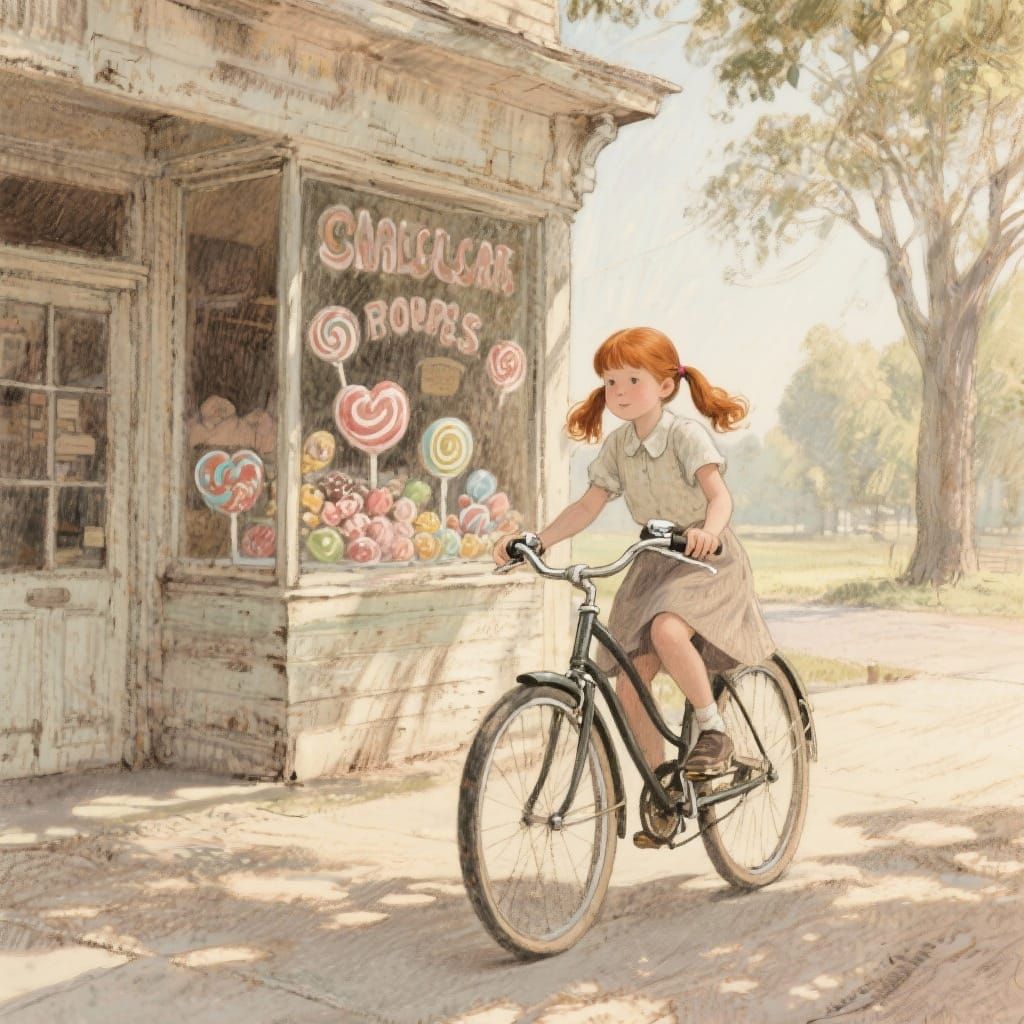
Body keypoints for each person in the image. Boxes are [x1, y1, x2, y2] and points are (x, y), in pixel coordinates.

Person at [493, 326, 776, 848]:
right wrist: (538, 540)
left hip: (705, 561)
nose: (618, 391)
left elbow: (720, 498)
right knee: (629, 680)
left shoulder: (684, 435)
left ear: (666, 385)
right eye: (609, 382)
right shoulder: (619, 445)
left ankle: (714, 730)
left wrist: (708, 534)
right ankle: (661, 789)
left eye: (631, 379)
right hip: (653, 565)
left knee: (669, 630)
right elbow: (587, 506)